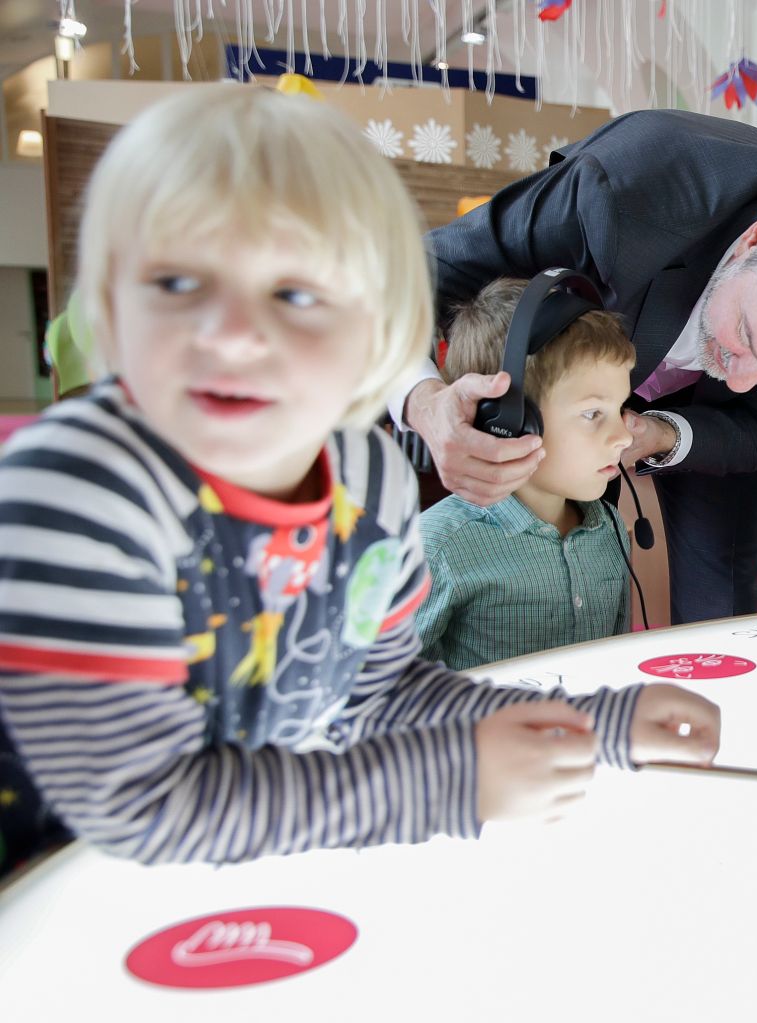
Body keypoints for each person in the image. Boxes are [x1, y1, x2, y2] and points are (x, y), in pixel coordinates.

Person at [0, 88, 719, 871]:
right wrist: (452, 779)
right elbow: (140, 806)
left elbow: (383, 697)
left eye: (296, 294)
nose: (233, 335)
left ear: (377, 329)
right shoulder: (80, 490)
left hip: (223, 880)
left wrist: (597, 725)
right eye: (175, 283)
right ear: (107, 302)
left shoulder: (366, 476)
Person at [399, 110, 757, 624]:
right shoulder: (619, 198)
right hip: (568, 386)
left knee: (725, 611)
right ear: (753, 240)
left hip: (713, 423)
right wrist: (423, 402)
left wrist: (663, 433)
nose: (744, 379)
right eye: (745, 337)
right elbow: (417, 275)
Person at [416, 278, 637, 670]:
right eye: (592, 414)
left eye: (619, 409)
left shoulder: (610, 528)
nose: (622, 437)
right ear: (509, 421)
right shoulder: (436, 548)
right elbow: (378, 695)